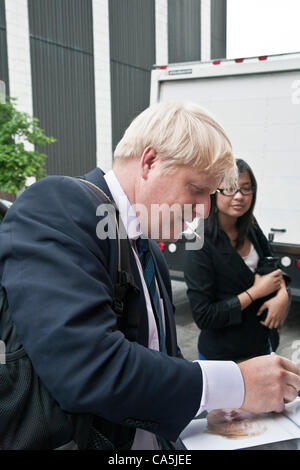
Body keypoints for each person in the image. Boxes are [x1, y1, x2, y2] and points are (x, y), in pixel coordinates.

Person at [0, 103, 299, 450]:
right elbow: (87, 367)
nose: (204, 210)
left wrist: (200, 409)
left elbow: (159, 360)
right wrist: (236, 383)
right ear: (149, 161)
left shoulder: (148, 251)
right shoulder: (59, 205)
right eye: (197, 188)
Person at [184, 158, 290, 362]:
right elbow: (204, 316)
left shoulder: (250, 225)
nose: (239, 196)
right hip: (225, 356)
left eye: (246, 188)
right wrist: (255, 292)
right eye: (230, 189)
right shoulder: (199, 242)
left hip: (262, 345)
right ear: (214, 192)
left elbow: (271, 265)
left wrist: (283, 294)